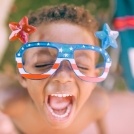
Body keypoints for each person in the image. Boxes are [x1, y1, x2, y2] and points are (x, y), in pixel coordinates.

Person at [2, 3, 118, 134]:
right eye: (43, 64)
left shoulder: (98, 104)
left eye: (82, 66)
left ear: (94, 79)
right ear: (23, 75)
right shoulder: (8, 101)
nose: (63, 77)